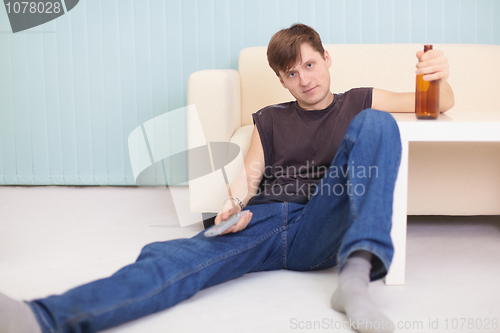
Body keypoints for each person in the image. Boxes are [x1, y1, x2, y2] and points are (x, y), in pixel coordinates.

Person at [0, 23, 454, 333]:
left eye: (310, 65)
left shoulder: (359, 100)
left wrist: (437, 80)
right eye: (291, 73)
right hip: (263, 221)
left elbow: (436, 103)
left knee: (380, 124)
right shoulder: (271, 120)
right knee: (179, 259)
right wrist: (233, 209)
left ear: (327, 58)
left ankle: (355, 279)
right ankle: (43, 317)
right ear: (282, 80)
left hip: (320, 223)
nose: (304, 79)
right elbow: (249, 176)